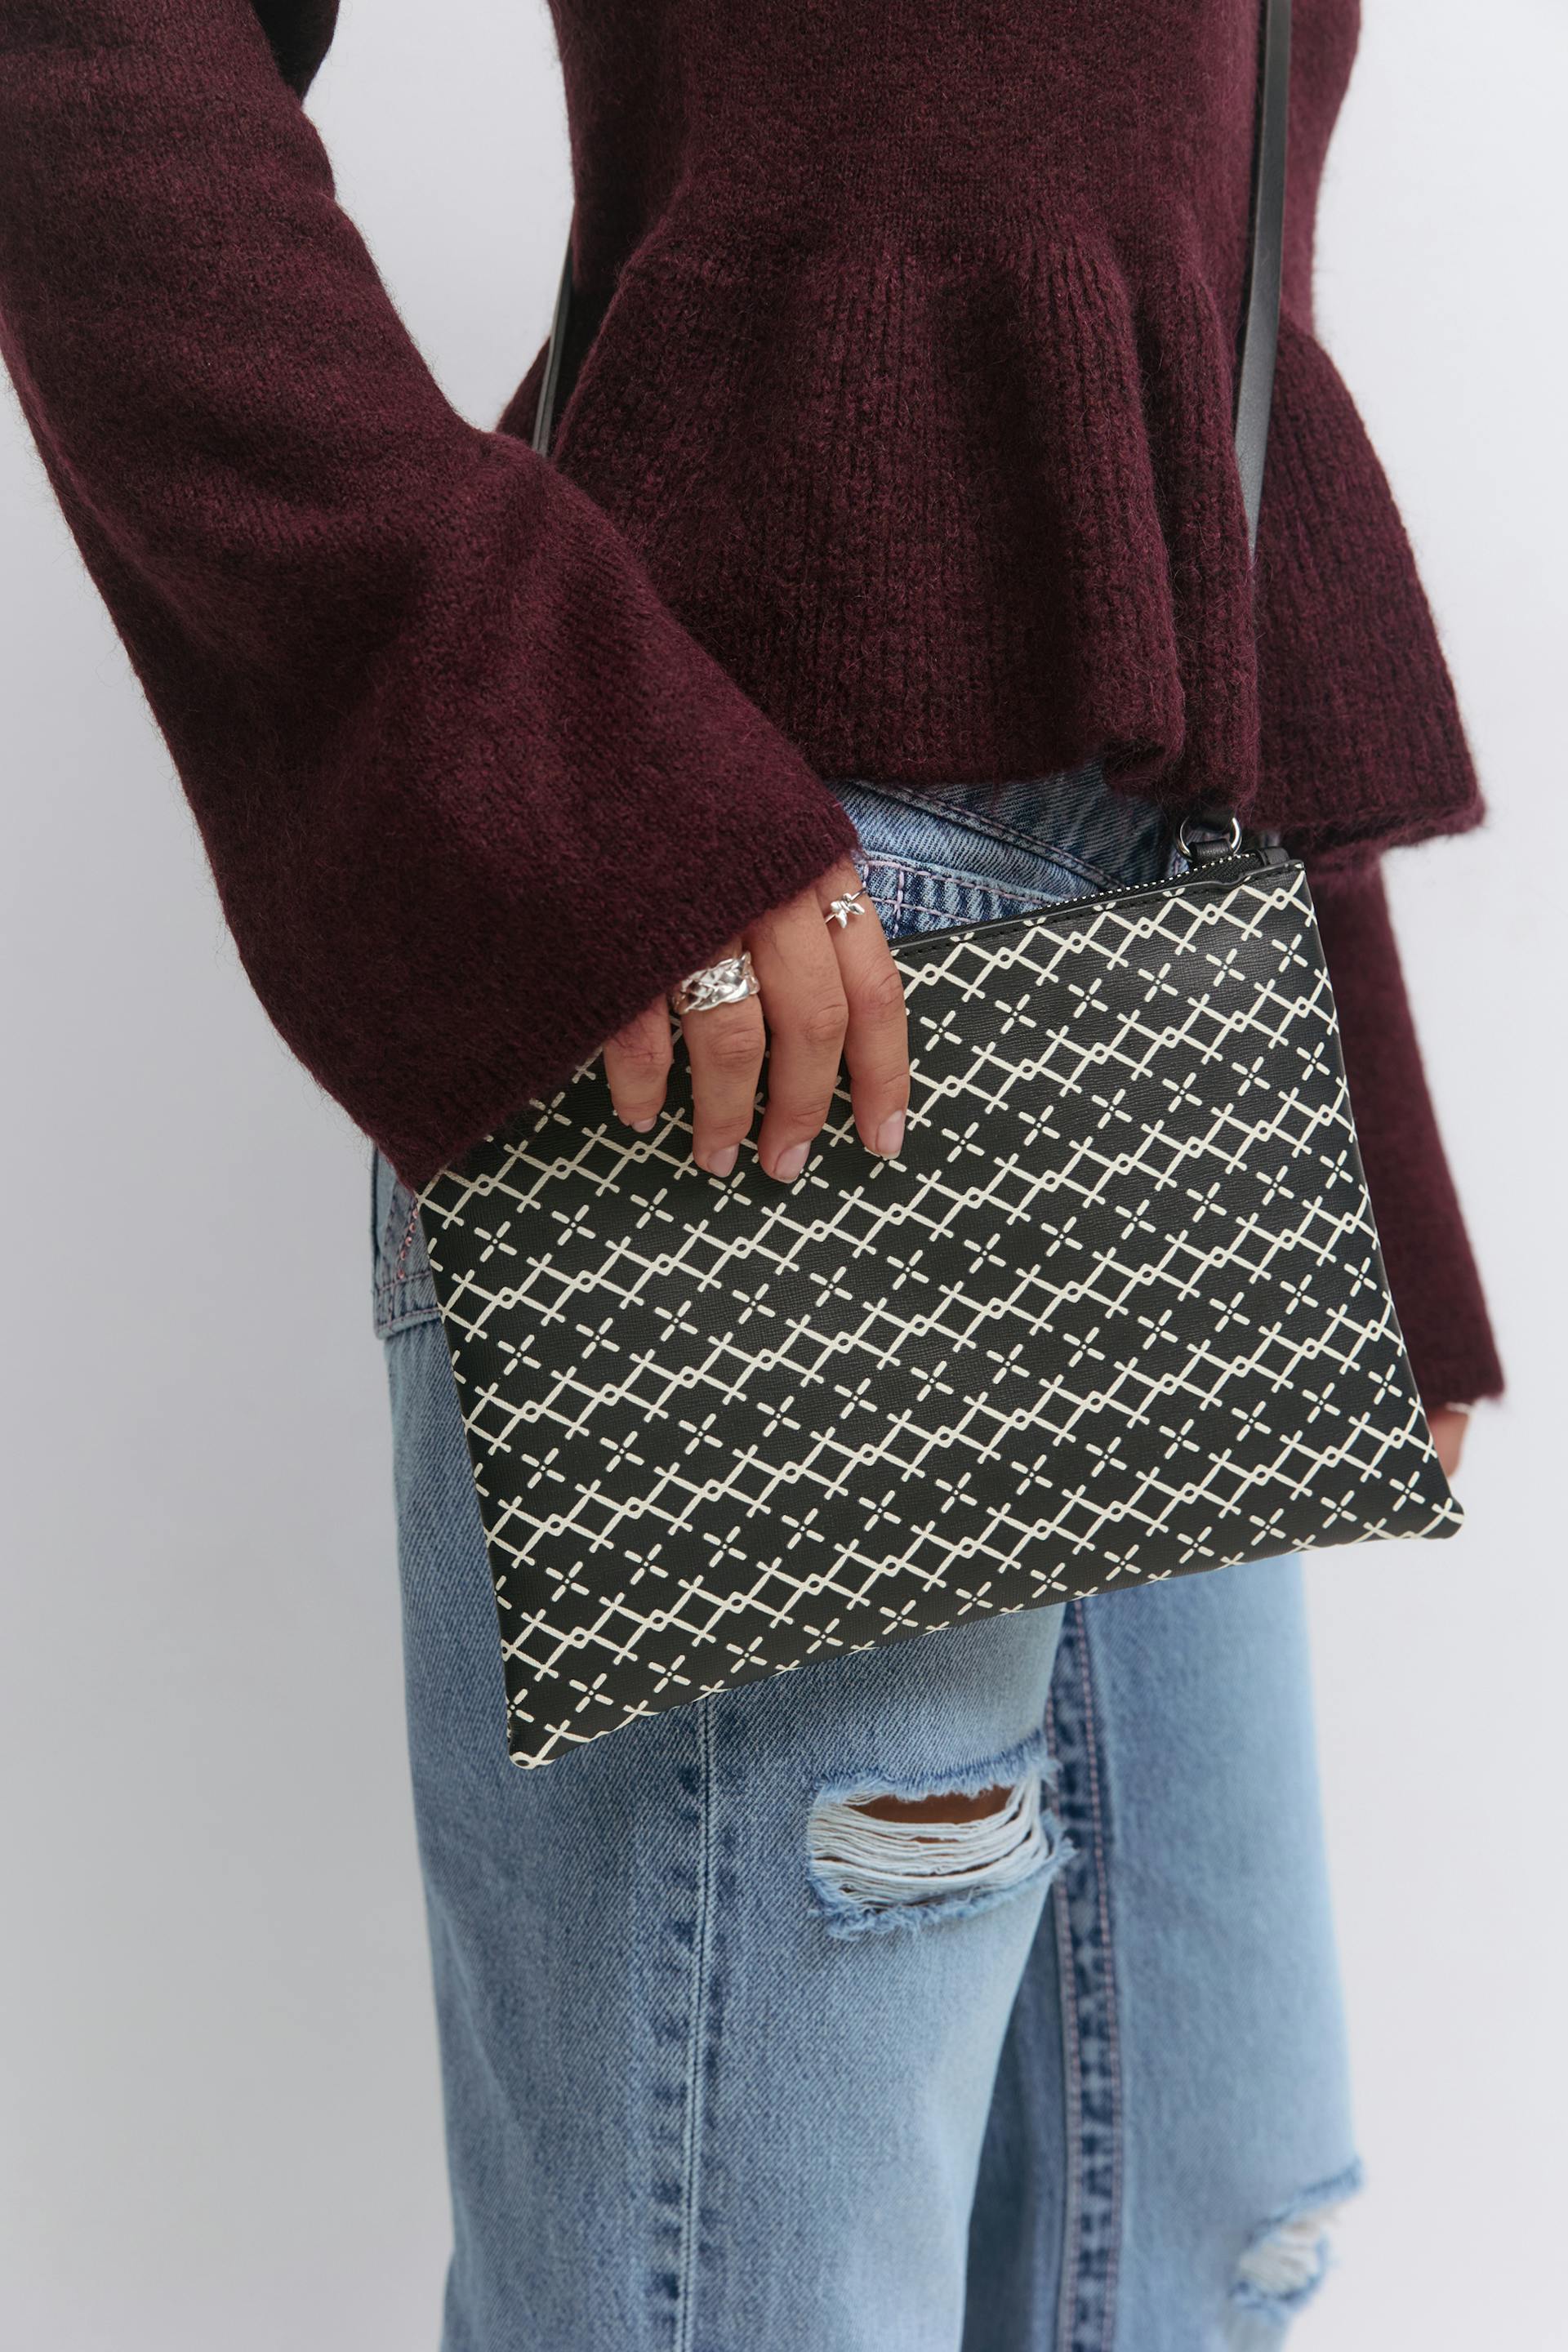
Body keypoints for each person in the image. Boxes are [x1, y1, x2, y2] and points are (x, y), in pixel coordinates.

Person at [1, 2, 1500, 2345]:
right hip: (769, 1007)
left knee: (1211, 2222)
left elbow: (1210, 264)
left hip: (1167, 1044)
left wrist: (1345, 1080)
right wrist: (514, 723)